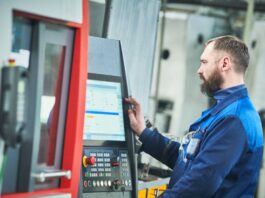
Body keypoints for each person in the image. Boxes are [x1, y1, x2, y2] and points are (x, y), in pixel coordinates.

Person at [125, 35, 264, 197]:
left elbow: (199, 185)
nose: (199, 70)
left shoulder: (233, 119)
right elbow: (188, 159)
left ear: (225, 64)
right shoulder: (227, 112)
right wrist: (143, 132)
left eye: (204, 62)